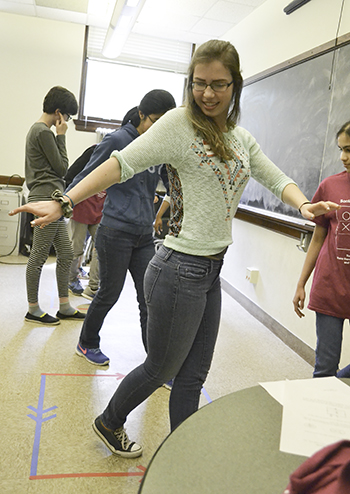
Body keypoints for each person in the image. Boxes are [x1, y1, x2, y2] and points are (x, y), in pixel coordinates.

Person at [10, 40, 339, 457]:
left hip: (210, 269)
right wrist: (65, 202)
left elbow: (275, 177)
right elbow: (120, 163)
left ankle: (183, 448)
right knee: (161, 366)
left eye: (219, 84)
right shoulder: (178, 125)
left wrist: (304, 204)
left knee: (194, 372)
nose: (208, 93)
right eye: (199, 83)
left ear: (235, 85)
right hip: (178, 267)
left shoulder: (240, 138)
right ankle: (110, 421)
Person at [66, 90, 176, 365]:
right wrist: (62, 203)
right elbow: (85, 174)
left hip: (143, 235)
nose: (160, 128)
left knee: (149, 298)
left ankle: (155, 362)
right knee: (108, 293)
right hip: (114, 232)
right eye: (155, 120)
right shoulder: (117, 140)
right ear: (141, 115)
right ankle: (87, 343)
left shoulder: (157, 145)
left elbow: (172, 180)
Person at [293, 121, 350, 378]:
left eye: (349, 150)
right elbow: (318, 237)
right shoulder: (330, 186)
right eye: (341, 149)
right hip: (330, 286)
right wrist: (301, 283)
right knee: (325, 368)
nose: (343, 157)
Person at [24, 86, 85, 325]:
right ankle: (32, 308)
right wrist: (62, 135)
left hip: (52, 198)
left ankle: (64, 306)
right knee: (39, 256)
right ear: (59, 113)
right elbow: (62, 169)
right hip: (45, 199)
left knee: (67, 253)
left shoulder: (38, 130)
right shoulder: (44, 132)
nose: (67, 121)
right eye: (68, 116)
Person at [65, 145, 106, 299]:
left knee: (101, 248)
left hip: (101, 208)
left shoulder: (119, 156)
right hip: (82, 207)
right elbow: (70, 175)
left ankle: (94, 286)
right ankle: (71, 280)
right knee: (76, 247)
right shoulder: (94, 151)